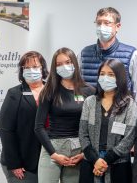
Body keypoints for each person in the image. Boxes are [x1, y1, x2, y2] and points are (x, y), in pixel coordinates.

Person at [35, 47, 95, 182]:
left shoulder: (89, 91)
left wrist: (84, 153)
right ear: (54, 68)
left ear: (74, 62)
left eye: (68, 62)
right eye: (59, 64)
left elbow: (93, 127)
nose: (64, 66)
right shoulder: (49, 91)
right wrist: (54, 154)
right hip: (52, 149)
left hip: (77, 151)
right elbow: (38, 127)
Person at [79, 59, 137, 183]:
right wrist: (96, 160)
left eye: (111, 75)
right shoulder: (90, 102)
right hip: (91, 161)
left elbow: (129, 137)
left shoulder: (129, 104)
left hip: (118, 163)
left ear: (120, 77)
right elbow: (83, 134)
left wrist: (105, 161)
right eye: (102, 74)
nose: (105, 78)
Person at [79, 7, 137, 105]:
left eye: (107, 23)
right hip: (90, 114)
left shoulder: (132, 55)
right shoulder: (83, 54)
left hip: (120, 114)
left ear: (117, 26)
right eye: (98, 23)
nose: (101, 26)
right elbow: (76, 89)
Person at [0, 51, 49, 182]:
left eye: (35, 66)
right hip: (21, 163)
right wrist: (15, 163)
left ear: (42, 68)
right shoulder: (14, 94)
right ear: (22, 71)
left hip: (48, 160)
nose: (31, 70)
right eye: (26, 68)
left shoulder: (52, 91)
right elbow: (6, 130)